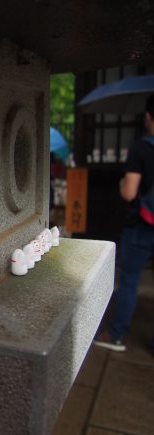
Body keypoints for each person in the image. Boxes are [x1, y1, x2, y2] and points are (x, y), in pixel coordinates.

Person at [94, 94, 154, 353]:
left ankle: (116, 336)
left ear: (148, 116)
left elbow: (130, 192)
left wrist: (121, 184)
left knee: (129, 280)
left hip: (141, 226)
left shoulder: (142, 148)